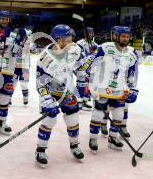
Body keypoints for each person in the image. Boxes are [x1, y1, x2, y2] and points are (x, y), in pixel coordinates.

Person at [35, 24, 84, 167]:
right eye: (69, 39)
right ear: (59, 40)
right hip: (50, 93)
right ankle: (40, 150)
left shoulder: (73, 50)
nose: (72, 42)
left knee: (73, 119)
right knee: (49, 121)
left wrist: (88, 63)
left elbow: (79, 67)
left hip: (66, 92)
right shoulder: (45, 58)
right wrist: (47, 100)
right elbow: (40, 82)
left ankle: (74, 146)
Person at [85, 26, 138, 152]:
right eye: (123, 36)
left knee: (119, 114)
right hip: (102, 87)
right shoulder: (105, 47)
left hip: (119, 88)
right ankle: (93, 138)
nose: (126, 39)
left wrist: (133, 88)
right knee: (98, 114)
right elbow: (92, 64)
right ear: (116, 36)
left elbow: (132, 73)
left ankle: (113, 138)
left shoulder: (131, 53)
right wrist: (88, 81)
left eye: (127, 36)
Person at [0, 11, 27, 135]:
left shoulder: (13, 34)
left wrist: (19, 42)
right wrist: (1, 38)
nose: (4, 21)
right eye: (2, 18)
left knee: (5, 99)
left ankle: (2, 122)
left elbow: (15, 53)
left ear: (9, 20)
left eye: (6, 19)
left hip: (8, 70)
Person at [75, 26, 98, 110]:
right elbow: (77, 55)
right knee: (81, 84)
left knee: (88, 85)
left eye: (92, 33)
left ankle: (85, 101)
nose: (91, 34)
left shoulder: (94, 43)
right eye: (89, 33)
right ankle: (79, 102)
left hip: (90, 68)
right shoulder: (79, 43)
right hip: (81, 67)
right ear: (85, 34)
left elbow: (98, 53)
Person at [11, 28, 33, 105]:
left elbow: (32, 48)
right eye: (21, 36)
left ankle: (25, 98)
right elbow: (12, 52)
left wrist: (24, 43)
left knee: (24, 84)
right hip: (15, 66)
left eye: (24, 36)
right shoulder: (14, 41)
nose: (23, 38)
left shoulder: (29, 41)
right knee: (13, 83)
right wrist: (17, 44)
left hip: (25, 67)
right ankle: (9, 98)